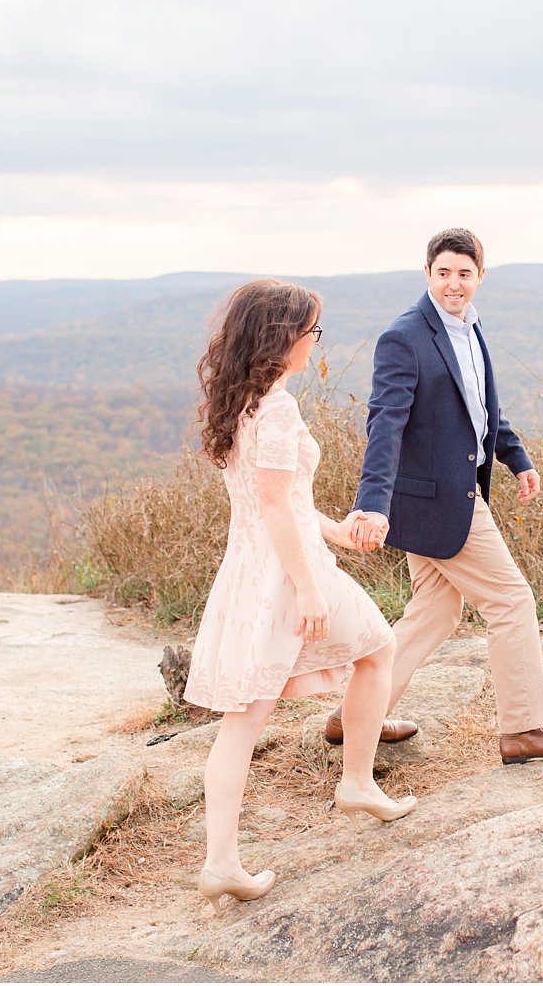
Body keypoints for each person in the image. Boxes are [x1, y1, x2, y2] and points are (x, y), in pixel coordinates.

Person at [184, 278, 416, 915]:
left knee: (245, 720)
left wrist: (337, 531)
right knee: (377, 649)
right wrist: (311, 586)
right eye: (312, 331)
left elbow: (284, 501)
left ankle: (223, 860)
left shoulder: (247, 401)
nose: (316, 343)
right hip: (286, 575)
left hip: (255, 570)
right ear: (280, 337)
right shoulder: (278, 409)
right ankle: (355, 783)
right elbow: (275, 501)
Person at [338, 228, 543, 765]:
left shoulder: (469, 327)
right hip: (438, 499)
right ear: (427, 274)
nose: (454, 284)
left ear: (481, 275)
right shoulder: (404, 337)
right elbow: (385, 424)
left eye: (465, 273)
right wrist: (372, 504)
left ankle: (352, 716)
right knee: (511, 601)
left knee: (434, 612)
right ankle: (524, 730)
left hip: (443, 494)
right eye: (444, 273)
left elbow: (479, 410)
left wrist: (515, 456)